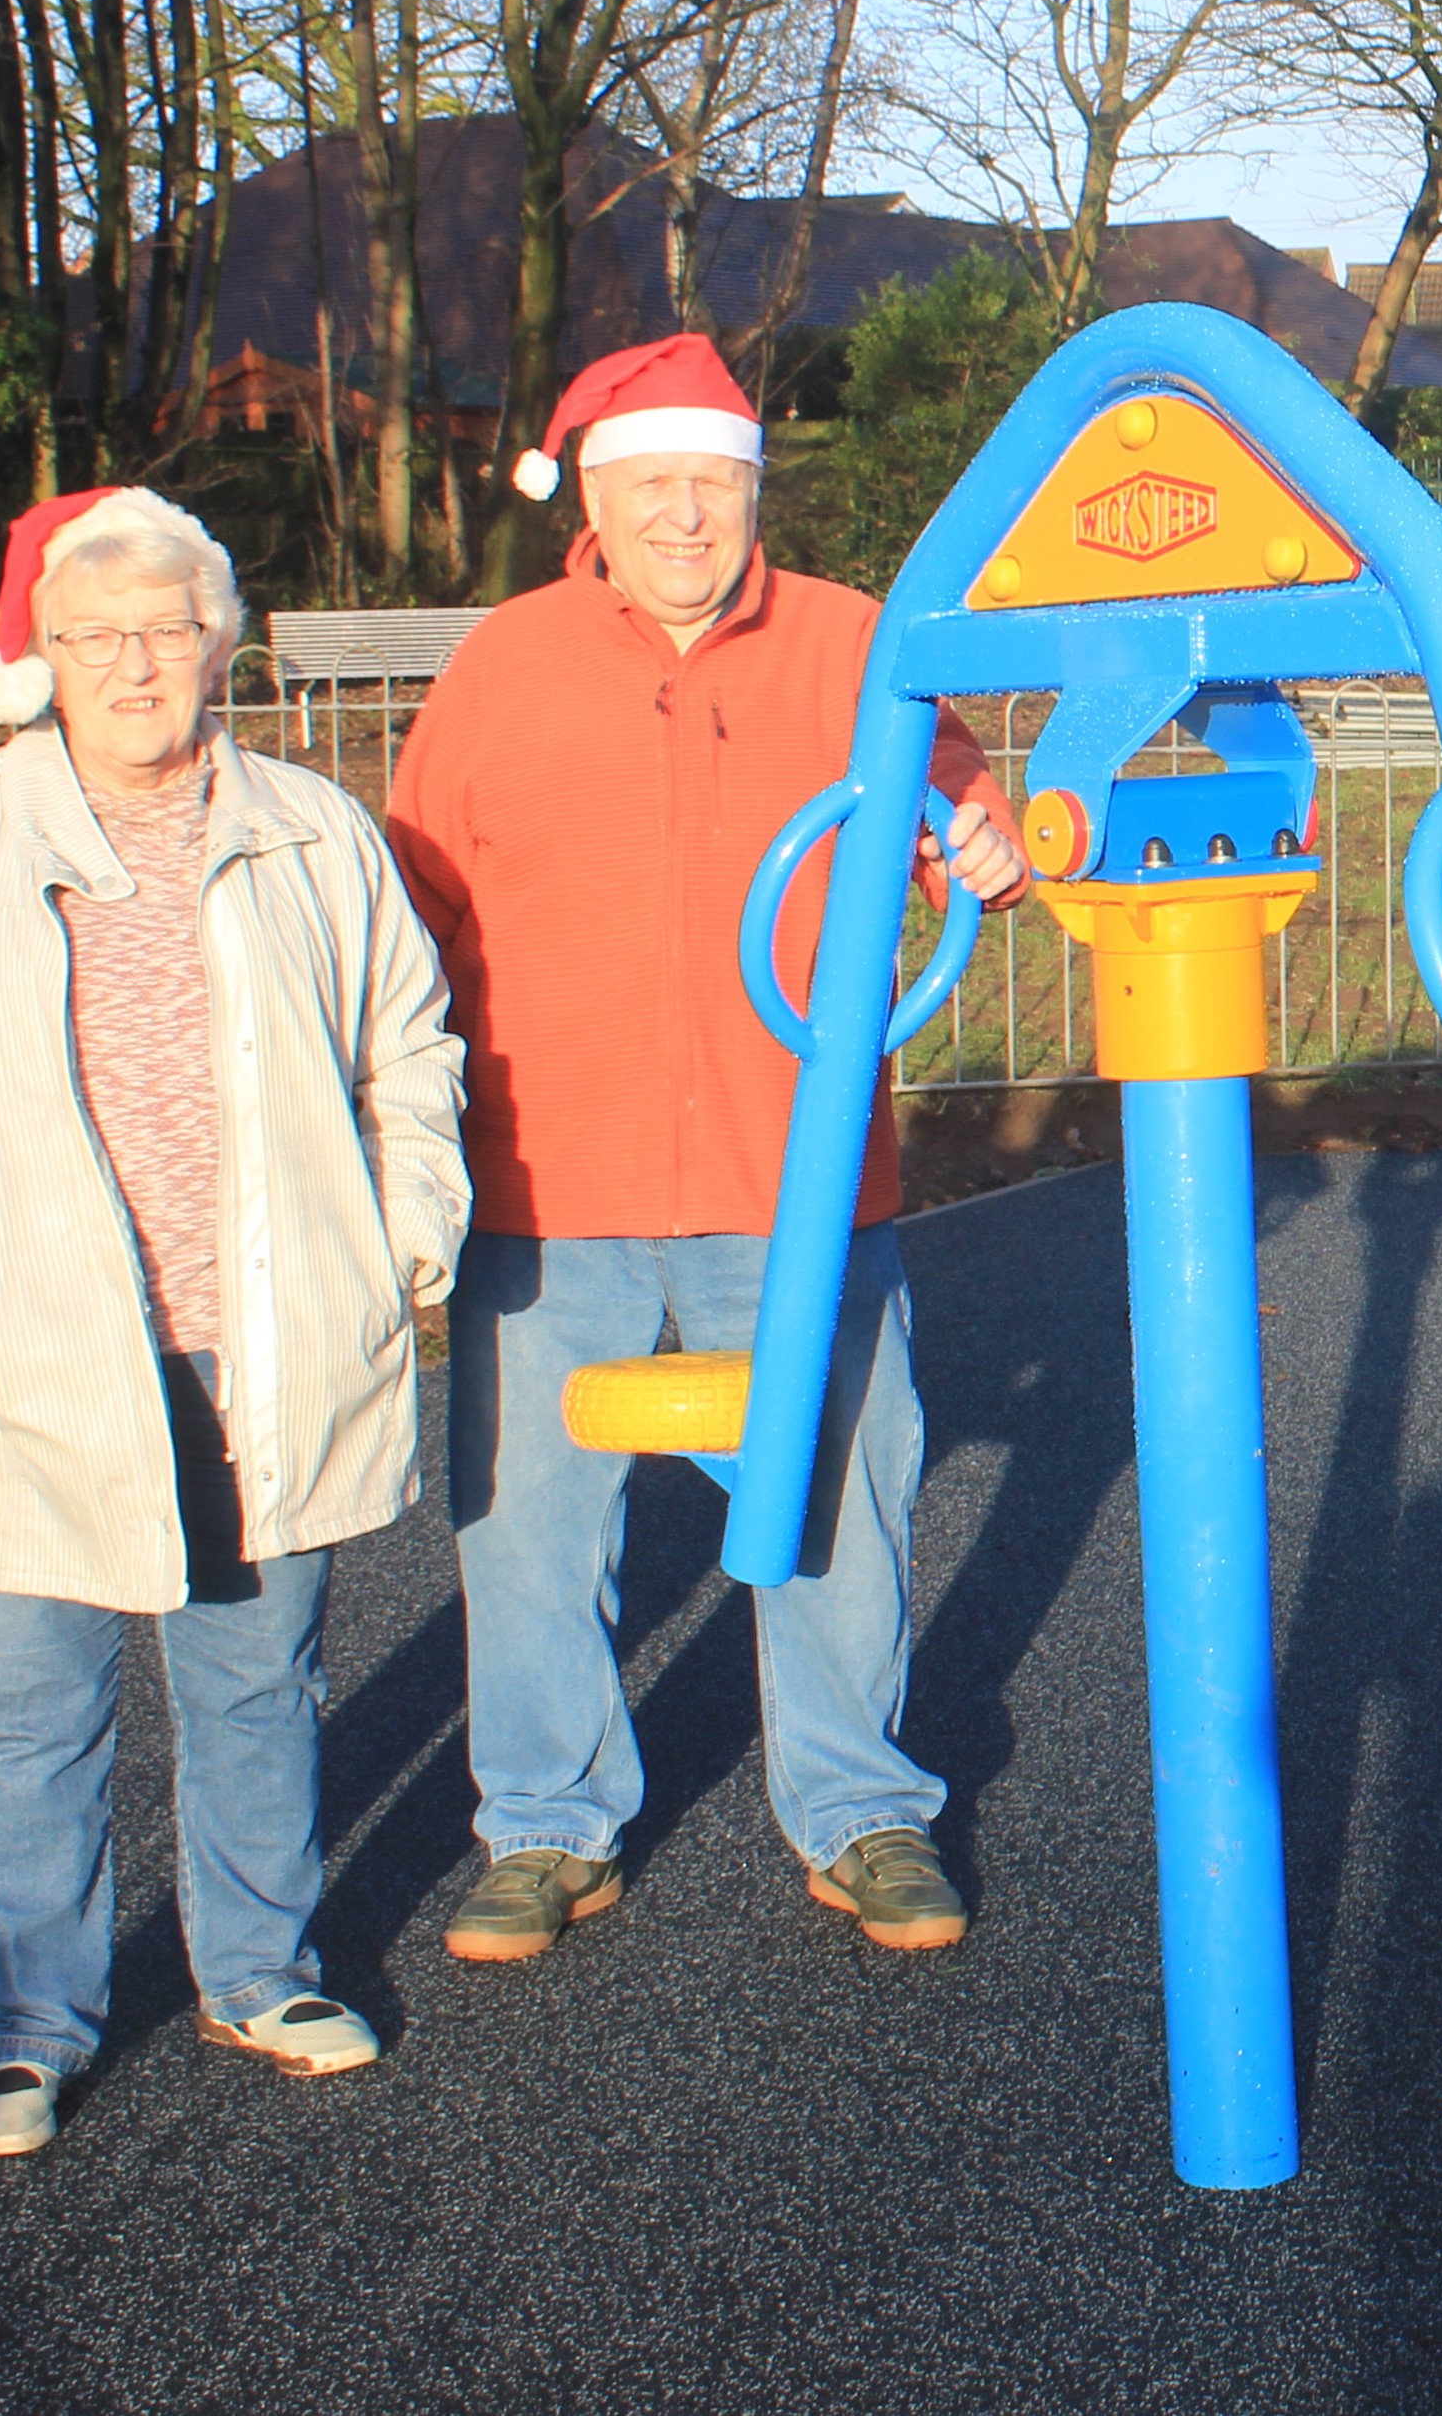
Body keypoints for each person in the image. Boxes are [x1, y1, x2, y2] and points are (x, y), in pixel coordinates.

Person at [0, 489, 469, 2158]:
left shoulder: (319, 834)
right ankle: (21, 2031)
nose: (135, 663)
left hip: (266, 1344)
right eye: (96, 635)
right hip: (31, 1364)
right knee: (25, 1714)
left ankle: (260, 1970)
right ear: (42, 656)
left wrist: (407, 1232)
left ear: (219, 646)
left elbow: (412, 1046)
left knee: (258, 1689)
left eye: (169, 629)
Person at [383, 334, 1025, 1967]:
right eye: (654, 483)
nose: (687, 514)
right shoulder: (502, 670)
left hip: (791, 1170)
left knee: (837, 1495)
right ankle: (544, 1826)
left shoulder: (852, 643)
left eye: (715, 483)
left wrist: (985, 826)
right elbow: (410, 917)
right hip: (548, 1171)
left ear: (754, 489)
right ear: (594, 500)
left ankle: (862, 1806)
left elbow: (957, 803)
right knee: (529, 1524)